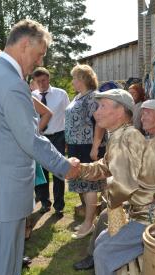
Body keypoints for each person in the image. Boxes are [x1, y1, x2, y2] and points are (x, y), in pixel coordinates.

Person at [0, 19, 80, 275]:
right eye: (39, 54)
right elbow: (30, 139)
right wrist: (65, 166)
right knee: (1, 269)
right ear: (26, 44)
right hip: (5, 191)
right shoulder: (12, 82)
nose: (38, 62)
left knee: (7, 264)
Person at [76, 89, 155, 275]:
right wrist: (78, 170)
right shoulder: (120, 135)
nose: (95, 112)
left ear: (120, 111)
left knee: (104, 254)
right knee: (101, 241)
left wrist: (105, 201)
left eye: (102, 106)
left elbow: (125, 186)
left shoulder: (128, 136)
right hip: (143, 209)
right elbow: (106, 166)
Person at [66, 64, 106, 239]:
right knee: (82, 184)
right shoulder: (78, 97)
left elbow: (99, 123)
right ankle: (90, 220)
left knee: (90, 185)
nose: (73, 81)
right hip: (76, 146)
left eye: (75, 78)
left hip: (88, 146)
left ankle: (89, 224)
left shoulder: (92, 97)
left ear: (83, 79)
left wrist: (95, 147)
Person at [32, 67, 70, 217]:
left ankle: (59, 205)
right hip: (40, 137)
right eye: (38, 81)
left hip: (58, 136)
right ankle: (45, 203)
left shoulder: (61, 94)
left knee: (58, 171)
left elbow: (68, 116)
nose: (41, 83)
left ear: (48, 79)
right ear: (35, 81)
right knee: (42, 172)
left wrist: (68, 137)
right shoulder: (32, 95)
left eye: (43, 80)